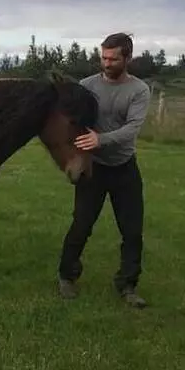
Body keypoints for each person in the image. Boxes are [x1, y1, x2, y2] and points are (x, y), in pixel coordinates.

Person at [57, 32, 151, 308]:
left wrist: (102, 139)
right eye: (103, 58)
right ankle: (66, 276)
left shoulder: (138, 91)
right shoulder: (86, 86)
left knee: (132, 231)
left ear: (127, 59)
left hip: (124, 168)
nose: (107, 63)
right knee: (81, 224)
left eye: (113, 59)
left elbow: (133, 128)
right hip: (93, 169)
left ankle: (128, 285)